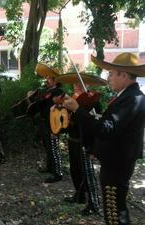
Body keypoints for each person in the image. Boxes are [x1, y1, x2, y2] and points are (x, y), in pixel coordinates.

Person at [63, 53, 145, 225]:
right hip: (115, 160)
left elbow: (106, 128)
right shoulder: (128, 96)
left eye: (111, 73)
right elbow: (114, 130)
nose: (108, 78)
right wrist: (97, 149)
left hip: (118, 163)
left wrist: (78, 110)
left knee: (115, 210)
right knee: (113, 208)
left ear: (123, 75)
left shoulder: (132, 99)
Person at [55, 72, 107, 215]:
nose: (77, 86)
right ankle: (79, 196)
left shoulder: (93, 100)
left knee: (88, 174)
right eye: (75, 83)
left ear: (87, 85)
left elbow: (95, 123)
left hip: (85, 142)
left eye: (80, 83)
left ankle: (93, 203)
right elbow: (66, 121)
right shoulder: (71, 99)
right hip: (72, 140)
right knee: (75, 171)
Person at [35, 63, 64, 183]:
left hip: (53, 124)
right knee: (48, 146)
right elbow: (39, 103)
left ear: (55, 80)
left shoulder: (58, 92)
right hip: (44, 123)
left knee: (54, 148)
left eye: (49, 78)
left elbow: (59, 110)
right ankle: (50, 167)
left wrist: (55, 129)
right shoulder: (48, 91)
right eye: (46, 78)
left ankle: (58, 173)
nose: (46, 80)